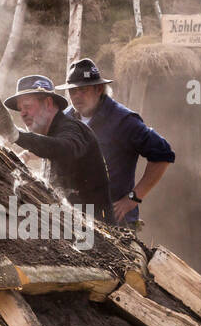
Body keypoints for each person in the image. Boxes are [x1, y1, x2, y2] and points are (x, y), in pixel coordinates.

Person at [59, 58, 174, 225]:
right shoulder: (67, 117)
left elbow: (164, 154)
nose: (76, 96)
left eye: (82, 90)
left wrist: (133, 198)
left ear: (98, 89)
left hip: (115, 223)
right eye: (72, 91)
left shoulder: (123, 120)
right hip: (75, 218)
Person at [0, 75, 114, 222]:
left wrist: (17, 135)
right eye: (20, 109)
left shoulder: (72, 128)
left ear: (48, 102)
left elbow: (65, 149)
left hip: (95, 232)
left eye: (27, 106)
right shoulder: (52, 133)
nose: (22, 113)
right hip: (71, 227)